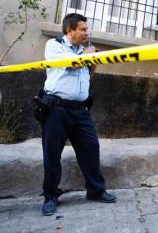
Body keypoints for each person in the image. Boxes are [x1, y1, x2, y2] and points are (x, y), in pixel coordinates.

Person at [39, 13, 116, 216]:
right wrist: (88, 55)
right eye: (82, 29)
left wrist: (93, 62)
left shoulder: (83, 51)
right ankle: (50, 196)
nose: (86, 32)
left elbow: (86, 73)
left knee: (91, 149)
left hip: (80, 110)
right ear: (69, 30)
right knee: (52, 154)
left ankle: (96, 191)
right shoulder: (54, 46)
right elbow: (72, 63)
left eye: (86, 29)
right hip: (56, 109)